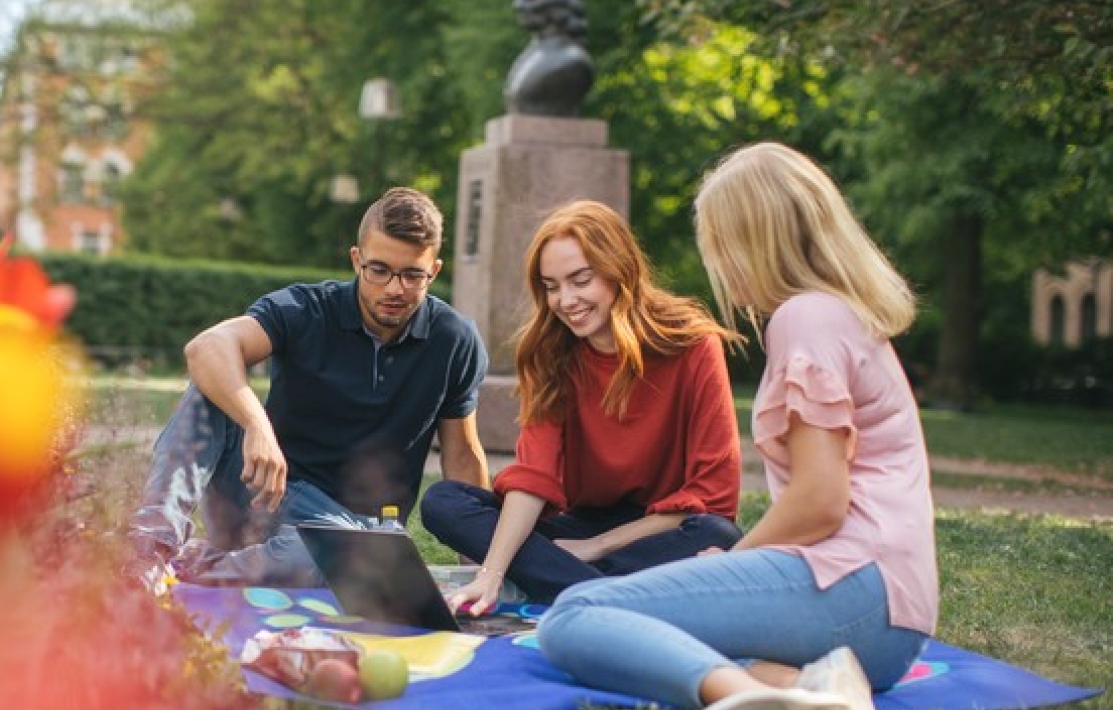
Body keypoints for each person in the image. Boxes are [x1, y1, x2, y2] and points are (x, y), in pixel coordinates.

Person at [537, 142, 938, 710]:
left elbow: (821, 500)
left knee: (577, 615)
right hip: (891, 615)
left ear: (755, 239)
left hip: (856, 587)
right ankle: (795, 684)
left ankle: (748, 697)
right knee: (656, 631)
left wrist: (735, 559)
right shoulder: (839, 313)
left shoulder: (805, 318)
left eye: (720, 245)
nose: (717, 265)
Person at [130, 187, 490, 587]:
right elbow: (206, 348)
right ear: (357, 260)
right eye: (379, 270)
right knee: (208, 392)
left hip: (353, 528)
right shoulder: (306, 309)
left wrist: (480, 572)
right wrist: (256, 425)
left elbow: (462, 456)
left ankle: (193, 569)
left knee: (331, 561)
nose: (394, 288)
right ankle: (147, 552)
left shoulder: (454, 340)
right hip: (265, 492)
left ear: (434, 271)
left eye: (412, 275)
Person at [421, 200, 744, 611]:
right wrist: (492, 574)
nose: (566, 300)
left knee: (717, 534)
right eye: (552, 287)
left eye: (580, 280)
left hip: (657, 530)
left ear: (618, 270)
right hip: (575, 524)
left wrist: (597, 546)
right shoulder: (549, 353)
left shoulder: (694, 345)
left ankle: (564, 587)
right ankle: (618, 600)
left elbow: (714, 498)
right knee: (445, 501)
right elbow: (533, 478)